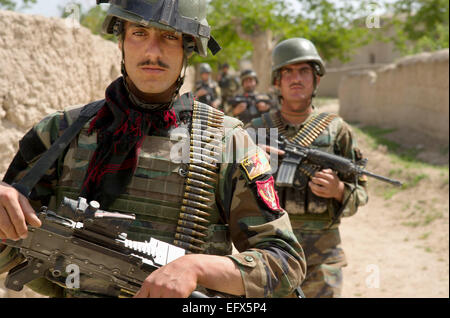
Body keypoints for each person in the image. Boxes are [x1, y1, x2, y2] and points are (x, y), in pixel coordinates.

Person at [0, 0, 305, 298]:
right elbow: (11, 252)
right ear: (121, 41)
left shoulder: (226, 142)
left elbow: (284, 263)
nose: (152, 51)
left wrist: (196, 268)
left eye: (170, 37)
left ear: (188, 47)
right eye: (139, 33)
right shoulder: (60, 133)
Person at [246, 37, 368, 298]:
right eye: (287, 72)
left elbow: (361, 194)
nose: (296, 79)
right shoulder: (256, 131)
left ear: (317, 79)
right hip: (269, 258)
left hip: (322, 261)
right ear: (277, 81)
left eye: (304, 71)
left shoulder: (337, 130)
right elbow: (228, 192)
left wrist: (338, 190)